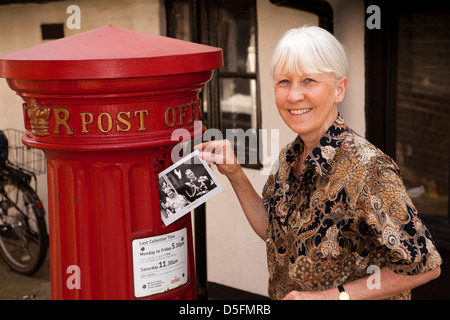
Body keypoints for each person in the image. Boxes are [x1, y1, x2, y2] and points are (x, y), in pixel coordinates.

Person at [195, 25, 442, 300]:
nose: (293, 95)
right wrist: (236, 174)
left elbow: (424, 266)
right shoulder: (289, 157)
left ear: (340, 88)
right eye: (284, 81)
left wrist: (327, 298)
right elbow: (273, 232)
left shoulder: (368, 169)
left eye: (309, 80)